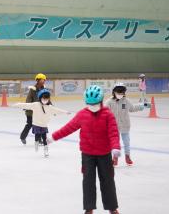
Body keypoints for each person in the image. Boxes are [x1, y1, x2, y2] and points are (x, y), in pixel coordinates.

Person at [48, 85, 121, 214]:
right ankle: (89, 208)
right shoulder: (82, 114)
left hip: (104, 154)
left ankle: (112, 208)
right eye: (90, 104)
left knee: (108, 181)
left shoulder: (108, 115)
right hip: (87, 155)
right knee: (88, 182)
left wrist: (115, 146)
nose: (92, 107)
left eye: (95, 104)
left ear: (101, 101)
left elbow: (113, 133)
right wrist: (54, 137)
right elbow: (68, 128)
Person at [13, 88, 70, 157]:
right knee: (37, 137)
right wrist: (17, 104)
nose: (45, 100)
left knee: (44, 139)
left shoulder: (49, 107)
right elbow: (26, 105)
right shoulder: (36, 105)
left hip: (44, 125)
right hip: (36, 125)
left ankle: (46, 151)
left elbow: (57, 110)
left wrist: (65, 112)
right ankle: (36, 143)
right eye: (43, 99)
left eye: (46, 99)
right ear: (40, 98)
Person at [105, 83, 148, 166]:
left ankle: (127, 157)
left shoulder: (126, 101)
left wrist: (143, 105)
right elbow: (104, 112)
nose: (120, 94)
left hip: (125, 125)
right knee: (115, 143)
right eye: (118, 93)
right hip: (114, 127)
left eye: (121, 93)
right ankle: (115, 158)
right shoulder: (109, 102)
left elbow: (132, 108)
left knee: (126, 143)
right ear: (114, 92)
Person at [20, 73, 47, 145]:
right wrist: (27, 107)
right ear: (38, 80)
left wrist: (50, 106)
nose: (43, 81)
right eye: (42, 80)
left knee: (40, 125)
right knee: (29, 124)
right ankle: (22, 137)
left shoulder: (44, 89)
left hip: (39, 111)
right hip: (31, 111)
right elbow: (28, 99)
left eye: (44, 80)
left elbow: (46, 99)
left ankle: (39, 140)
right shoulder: (33, 89)